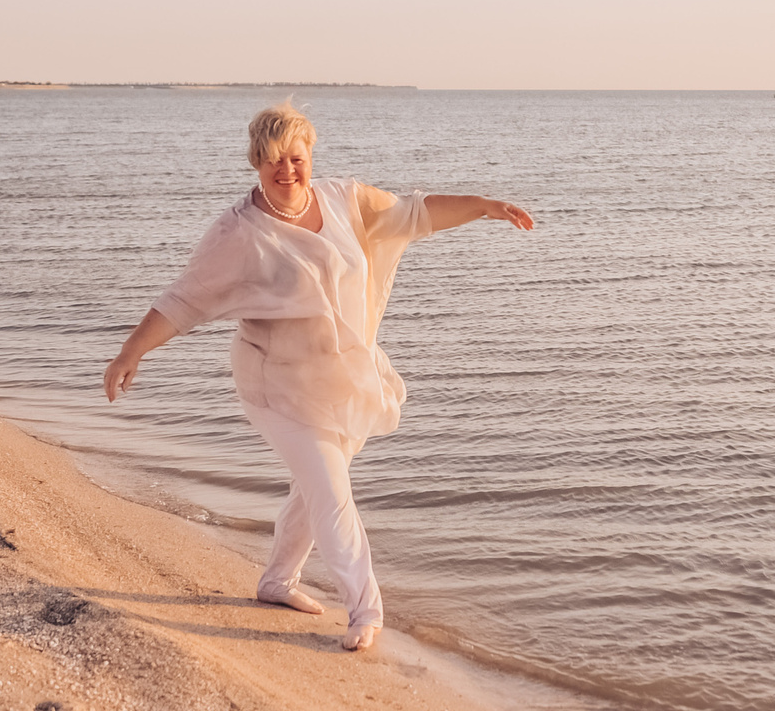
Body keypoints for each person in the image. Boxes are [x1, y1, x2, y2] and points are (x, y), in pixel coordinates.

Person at [103, 103, 534, 652]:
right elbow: (184, 299)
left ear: (310, 155)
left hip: (341, 377)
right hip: (275, 383)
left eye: (295, 158)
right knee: (331, 491)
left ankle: (276, 582)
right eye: (271, 161)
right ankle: (365, 610)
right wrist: (129, 352)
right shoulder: (237, 232)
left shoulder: (343, 199)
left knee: (313, 490)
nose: (286, 171)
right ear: (255, 163)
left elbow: (414, 212)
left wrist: (485, 206)